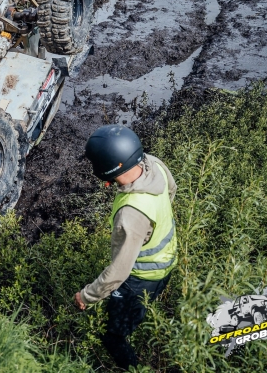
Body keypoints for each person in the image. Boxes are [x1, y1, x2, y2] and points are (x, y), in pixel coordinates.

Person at [74, 124, 177, 371]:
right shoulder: (154, 165)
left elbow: (119, 272)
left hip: (141, 278)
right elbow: (171, 190)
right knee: (143, 312)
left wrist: (87, 296)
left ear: (105, 169)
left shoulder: (131, 214)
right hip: (167, 261)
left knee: (113, 337)